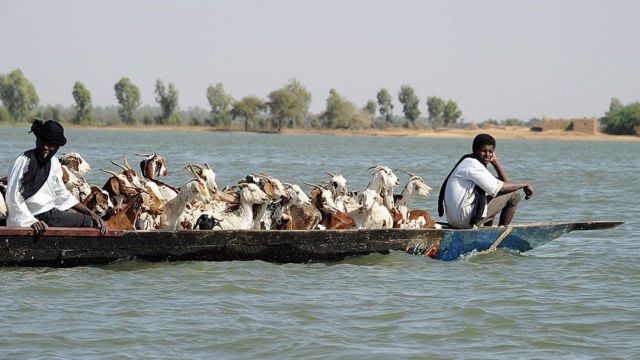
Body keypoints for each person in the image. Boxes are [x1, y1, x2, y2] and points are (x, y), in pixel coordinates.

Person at [6, 120, 107, 235]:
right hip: (30, 216)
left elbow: (61, 193)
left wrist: (91, 213)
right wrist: (30, 221)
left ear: (57, 147)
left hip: (48, 213)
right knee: (88, 222)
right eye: (42, 141)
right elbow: (13, 196)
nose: (45, 147)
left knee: (91, 218)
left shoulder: (54, 163)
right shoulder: (23, 161)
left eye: (50, 144)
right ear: (37, 140)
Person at [437, 133, 534, 229]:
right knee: (514, 195)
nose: (487, 155)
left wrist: (495, 163)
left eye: (490, 151)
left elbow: (504, 183)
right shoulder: (473, 164)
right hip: (464, 220)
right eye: (484, 151)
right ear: (475, 150)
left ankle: (488, 229)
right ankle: (501, 232)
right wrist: (525, 184)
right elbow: (501, 188)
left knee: (493, 191)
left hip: (455, 220)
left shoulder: (469, 162)